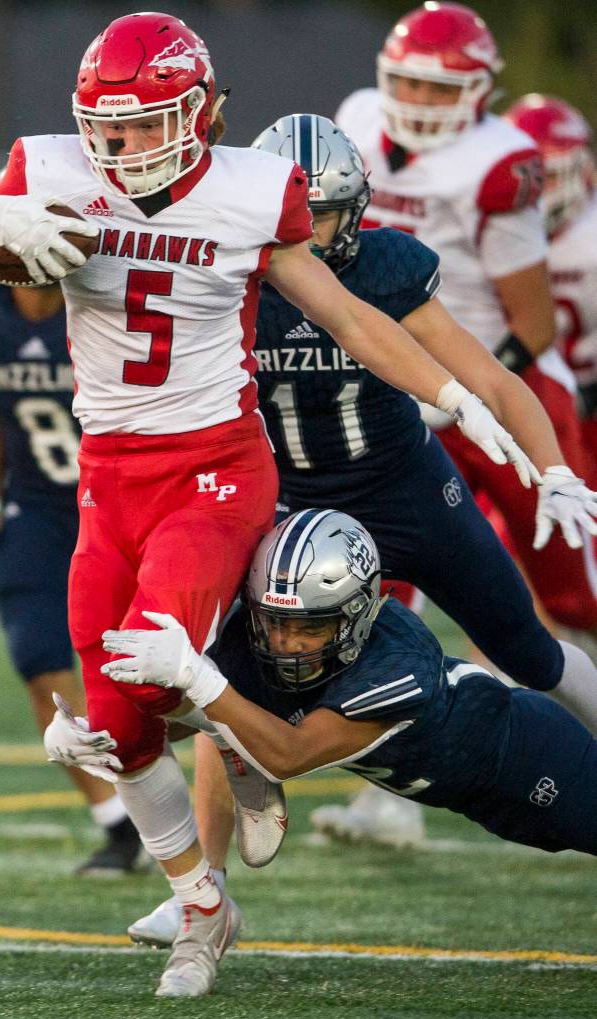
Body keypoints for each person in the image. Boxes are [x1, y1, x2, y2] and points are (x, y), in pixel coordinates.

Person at [0, 10, 542, 999]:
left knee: (155, 667)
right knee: (113, 724)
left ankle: (241, 744)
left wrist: (453, 395)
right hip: (107, 481)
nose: (123, 148)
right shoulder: (55, 165)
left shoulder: (249, 189)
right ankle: (205, 905)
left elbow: (347, 314)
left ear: (197, 113)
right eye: (106, 129)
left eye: (146, 125)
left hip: (216, 469)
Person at [127, 114, 597, 948]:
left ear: (360, 210)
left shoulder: (384, 268)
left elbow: (485, 372)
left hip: (404, 486)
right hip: (288, 503)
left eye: (327, 218)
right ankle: (202, 888)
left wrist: (552, 465)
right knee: (220, 657)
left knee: (526, 648)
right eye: (294, 219)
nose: (309, 237)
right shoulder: (224, 272)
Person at [96, 509, 597, 860]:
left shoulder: (396, 663)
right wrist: (105, 736)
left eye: (310, 626)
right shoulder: (271, 644)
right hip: (477, 797)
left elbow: (287, 755)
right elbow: (206, 717)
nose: (288, 643)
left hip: (534, 761)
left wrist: (198, 679)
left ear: (354, 617)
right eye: (275, 622)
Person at [334, 1, 597, 649]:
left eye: (439, 86)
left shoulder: (496, 161)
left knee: (572, 596)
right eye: (410, 82)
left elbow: (533, 324)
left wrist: (465, 392)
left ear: (478, 91)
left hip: (506, 387)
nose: (420, 100)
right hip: (401, 389)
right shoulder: (357, 119)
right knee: (376, 582)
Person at [0, 263, 142, 875]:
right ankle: (116, 822)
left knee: (152, 657)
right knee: (36, 656)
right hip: (38, 504)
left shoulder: (112, 291)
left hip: (124, 495)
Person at [504, 95, 597, 491]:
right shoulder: (489, 226)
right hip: (516, 393)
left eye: (549, 176)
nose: (536, 191)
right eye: (527, 174)